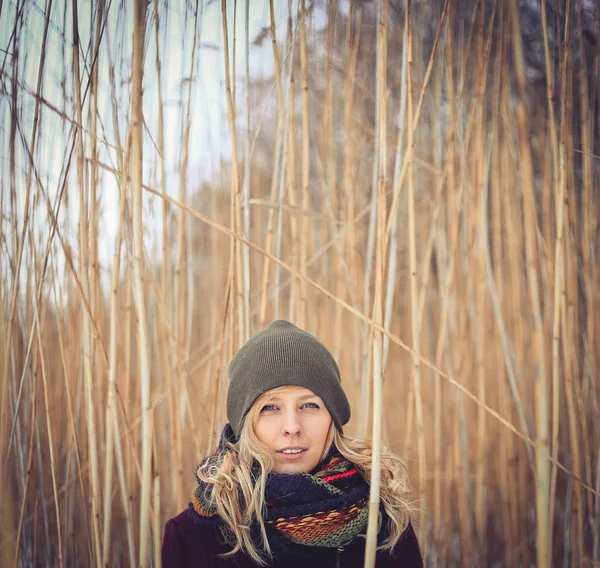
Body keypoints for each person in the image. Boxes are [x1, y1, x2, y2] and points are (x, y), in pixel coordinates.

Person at [162, 320, 422, 567]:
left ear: (333, 418)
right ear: (244, 424)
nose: (292, 426)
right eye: (270, 407)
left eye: (309, 405)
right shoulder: (193, 537)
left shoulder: (385, 522)